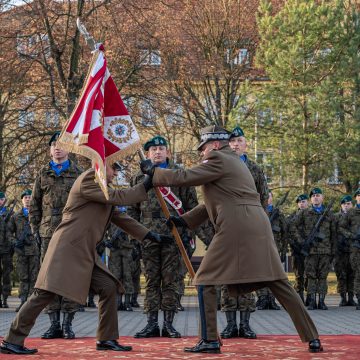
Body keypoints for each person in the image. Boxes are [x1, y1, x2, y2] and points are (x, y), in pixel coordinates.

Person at [140, 125, 322, 354]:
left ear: (215, 145)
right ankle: (312, 337)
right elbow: (214, 202)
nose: (201, 153)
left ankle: (210, 340)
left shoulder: (217, 158)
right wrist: (184, 221)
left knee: (205, 279)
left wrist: (154, 173)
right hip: (257, 225)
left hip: (236, 226)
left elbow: (185, 177)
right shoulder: (235, 161)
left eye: (203, 148)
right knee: (277, 280)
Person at [0, 162, 169, 355]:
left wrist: (149, 235)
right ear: (102, 165)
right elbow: (120, 198)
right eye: (113, 168)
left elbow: (119, 216)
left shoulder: (103, 188)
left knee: (108, 287)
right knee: (44, 293)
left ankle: (107, 339)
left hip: (84, 251)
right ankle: (12, 340)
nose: (115, 173)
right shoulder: (89, 179)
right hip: (68, 248)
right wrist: (147, 182)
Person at [128, 135, 199, 339]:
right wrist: (135, 239)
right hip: (148, 236)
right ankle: (151, 323)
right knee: (151, 281)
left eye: (161, 148)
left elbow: (191, 208)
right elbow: (132, 211)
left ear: (168, 152)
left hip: (173, 236)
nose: (157, 152)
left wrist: (187, 234)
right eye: (153, 149)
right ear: (148, 153)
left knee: (171, 281)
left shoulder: (180, 174)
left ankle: (168, 323)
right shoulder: (138, 177)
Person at [29, 131, 83, 339]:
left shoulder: (78, 173)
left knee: (69, 277)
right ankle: (54, 324)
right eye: (53, 145)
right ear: (50, 149)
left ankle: (68, 324)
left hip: (71, 232)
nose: (57, 147)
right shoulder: (42, 173)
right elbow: (34, 204)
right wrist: (35, 229)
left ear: (69, 148)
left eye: (61, 144)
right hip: (47, 233)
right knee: (49, 279)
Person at [218, 126, 269, 339]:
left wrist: (260, 226)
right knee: (228, 275)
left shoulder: (255, 169)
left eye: (239, 141)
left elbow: (263, 197)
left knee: (248, 275)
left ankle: (245, 324)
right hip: (228, 227)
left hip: (249, 228)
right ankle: (230, 324)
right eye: (232, 142)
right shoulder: (221, 165)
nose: (235, 144)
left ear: (246, 144)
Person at [291, 188, 335, 311]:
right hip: (310, 251)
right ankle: (311, 301)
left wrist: (333, 250)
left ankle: (321, 301)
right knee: (310, 276)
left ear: (322, 198)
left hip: (325, 250)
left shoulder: (329, 214)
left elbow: (334, 234)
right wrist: (301, 241)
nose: (315, 197)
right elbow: (293, 226)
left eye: (318, 195)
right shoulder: (304, 213)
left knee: (322, 277)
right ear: (310, 199)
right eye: (313, 196)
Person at [7, 190, 40, 312]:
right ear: (22, 200)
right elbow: (9, 232)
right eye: (25, 197)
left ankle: (31, 304)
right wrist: (15, 242)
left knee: (34, 277)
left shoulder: (37, 215)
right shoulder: (15, 216)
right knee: (23, 277)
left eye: (29, 197)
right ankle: (22, 302)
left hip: (34, 250)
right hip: (21, 251)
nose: (27, 199)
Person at [256, 190, 288, 310]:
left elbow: (285, 233)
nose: (267, 198)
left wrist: (284, 250)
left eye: (269, 196)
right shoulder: (258, 212)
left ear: (272, 199)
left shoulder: (279, 215)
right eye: (265, 196)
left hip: (275, 249)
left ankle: (272, 299)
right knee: (261, 274)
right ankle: (263, 298)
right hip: (260, 248)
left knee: (274, 275)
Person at [338, 188, 360, 310]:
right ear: (356, 197)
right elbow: (341, 228)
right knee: (357, 274)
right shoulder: (351, 213)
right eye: (359, 195)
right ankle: (358, 298)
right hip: (355, 248)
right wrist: (352, 236)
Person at [334, 195, 355, 306]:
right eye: (344, 204)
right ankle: (343, 298)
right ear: (341, 205)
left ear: (352, 205)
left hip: (352, 250)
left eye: (348, 204)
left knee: (352, 274)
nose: (346, 206)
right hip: (339, 251)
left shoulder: (355, 217)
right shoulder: (336, 217)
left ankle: (351, 298)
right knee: (341, 275)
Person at [287, 194, 309, 303]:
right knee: (298, 275)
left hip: (310, 250)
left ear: (307, 202)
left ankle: (310, 297)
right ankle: (299, 297)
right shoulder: (291, 217)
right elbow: (288, 233)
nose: (302, 203)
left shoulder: (312, 215)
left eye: (304, 201)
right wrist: (293, 245)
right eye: (300, 202)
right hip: (297, 250)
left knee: (310, 274)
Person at [0, 191, 14, 308]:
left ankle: (5, 299)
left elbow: (13, 230)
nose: (0, 201)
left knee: (6, 275)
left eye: (1, 199)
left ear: (4, 200)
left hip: (6, 248)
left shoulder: (10, 213)